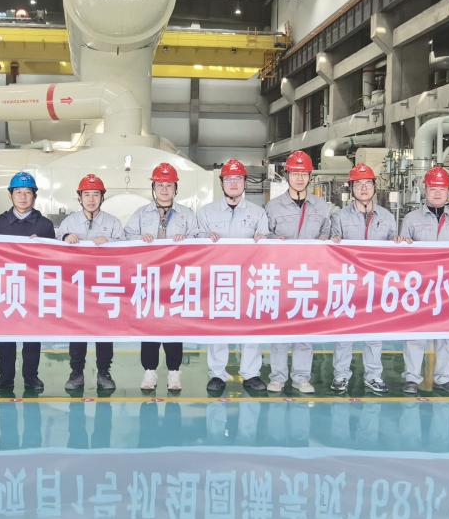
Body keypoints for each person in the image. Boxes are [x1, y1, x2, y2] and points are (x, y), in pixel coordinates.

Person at [196, 158, 270, 395]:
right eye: (229, 179)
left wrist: (263, 240)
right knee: (218, 327)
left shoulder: (258, 213)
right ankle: (217, 373)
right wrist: (205, 238)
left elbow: (266, 244)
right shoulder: (206, 213)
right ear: (222, 183)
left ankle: (251, 373)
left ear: (245, 182)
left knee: (251, 326)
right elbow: (195, 244)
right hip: (218, 279)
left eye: (238, 178)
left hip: (250, 280)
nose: (234, 183)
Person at [124, 162, 199, 392]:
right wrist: (140, 239)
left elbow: (199, 240)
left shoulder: (187, 215)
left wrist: (186, 241)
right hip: (149, 279)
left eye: (169, 185)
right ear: (153, 187)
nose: (164, 189)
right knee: (150, 325)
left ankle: (174, 372)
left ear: (176, 188)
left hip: (176, 279)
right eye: (160, 185)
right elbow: (126, 236)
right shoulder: (141, 214)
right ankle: (150, 372)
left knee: (173, 326)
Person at [397, 165, 449, 395]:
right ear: (425, 191)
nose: (437, 193)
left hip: (447, 286)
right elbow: (399, 253)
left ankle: (444, 378)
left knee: (446, 334)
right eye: (432, 188)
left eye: (442, 189)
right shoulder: (411, 219)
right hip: (418, 286)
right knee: (415, 334)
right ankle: (411, 377)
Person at [263, 150, 331, 394]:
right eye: (295, 173)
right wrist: (274, 239)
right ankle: (278, 376)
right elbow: (264, 235)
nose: (300, 178)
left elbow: (327, 232)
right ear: (287, 175)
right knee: (280, 328)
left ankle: (301, 377)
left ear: (310, 176)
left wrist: (324, 240)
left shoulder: (321, 207)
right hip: (281, 276)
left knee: (304, 328)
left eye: (304, 174)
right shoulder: (273, 207)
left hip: (309, 276)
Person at [329, 163, 397, 395]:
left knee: (374, 333)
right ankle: (340, 375)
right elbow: (332, 247)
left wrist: (399, 243)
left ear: (375, 187)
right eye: (358, 184)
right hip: (348, 283)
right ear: (352, 188)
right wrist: (333, 241)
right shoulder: (339, 217)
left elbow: (394, 250)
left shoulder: (387, 217)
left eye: (368, 183)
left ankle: (374, 375)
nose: (364, 188)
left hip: (376, 285)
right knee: (344, 333)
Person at [0, 172, 55, 394]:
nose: (23, 197)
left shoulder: (45, 226)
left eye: (28, 192)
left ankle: (31, 376)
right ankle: (5, 377)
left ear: (34, 196)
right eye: (18, 192)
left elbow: (53, 259)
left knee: (32, 336)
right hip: (6, 287)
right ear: (10, 195)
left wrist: (43, 246)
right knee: (6, 336)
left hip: (33, 289)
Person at [57, 173, 123, 392]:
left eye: (96, 194)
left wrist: (110, 242)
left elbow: (126, 249)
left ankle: (104, 372)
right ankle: (76, 373)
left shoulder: (113, 223)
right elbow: (54, 246)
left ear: (102, 197)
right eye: (87, 194)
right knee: (77, 331)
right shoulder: (69, 222)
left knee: (105, 331)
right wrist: (65, 238)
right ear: (80, 197)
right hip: (76, 287)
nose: (91, 199)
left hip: (104, 285)